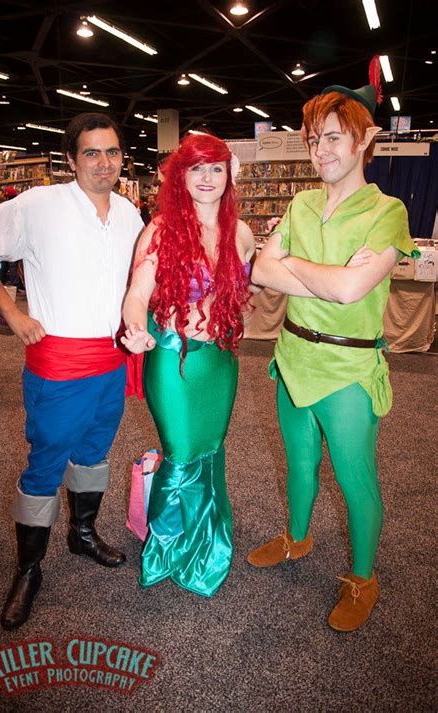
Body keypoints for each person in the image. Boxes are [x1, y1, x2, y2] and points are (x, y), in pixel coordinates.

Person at [247, 67, 419, 631]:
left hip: (347, 367)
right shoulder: (298, 204)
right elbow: (260, 270)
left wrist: (288, 265)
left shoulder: (387, 211)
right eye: (314, 138)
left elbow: (350, 291)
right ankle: (297, 538)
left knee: (354, 478)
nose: (320, 150)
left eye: (333, 137)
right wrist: (297, 270)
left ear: (365, 139)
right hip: (292, 357)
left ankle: (363, 578)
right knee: (299, 463)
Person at [0, 112, 144, 629]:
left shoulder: (130, 214)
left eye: (112, 152)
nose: (104, 163)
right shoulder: (38, 206)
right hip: (58, 363)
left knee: (93, 454)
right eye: (91, 153)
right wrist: (10, 310)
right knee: (45, 464)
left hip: (112, 362)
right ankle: (28, 568)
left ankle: (81, 533)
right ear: (71, 159)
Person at [120, 133, 257, 597]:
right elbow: (138, 292)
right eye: (196, 168)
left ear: (228, 175)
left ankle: (211, 541)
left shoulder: (241, 232)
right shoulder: (159, 229)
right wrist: (135, 328)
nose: (206, 178)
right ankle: (168, 550)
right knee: (179, 455)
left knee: (211, 451)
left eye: (215, 168)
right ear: (179, 175)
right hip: (173, 361)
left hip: (220, 361)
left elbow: (253, 281)